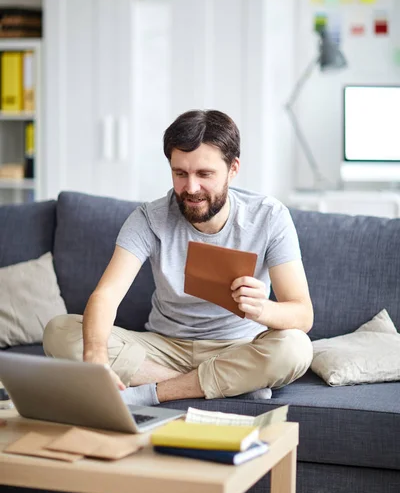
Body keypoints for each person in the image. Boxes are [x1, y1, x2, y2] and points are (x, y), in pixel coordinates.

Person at [43, 109, 313, 406]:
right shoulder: (148, 218)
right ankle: (228, 384)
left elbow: (302, 314)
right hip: (164, 345)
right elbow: (106, 296)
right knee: (60, 331)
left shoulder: (269, 217)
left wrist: (262, 310)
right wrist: (95, 356)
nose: (191, 188)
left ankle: (156, 392)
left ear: (233, 169)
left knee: (295, 348)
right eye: (180, 173)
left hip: (238, 347)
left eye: (205, 174)